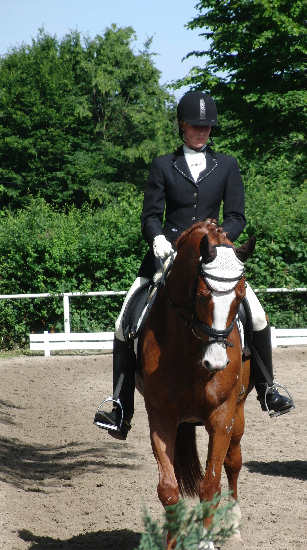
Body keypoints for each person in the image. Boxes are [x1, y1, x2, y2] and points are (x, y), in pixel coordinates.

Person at [94, 91, 294, 440]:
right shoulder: (163, 165)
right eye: (195, 126)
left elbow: (236, 216)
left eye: (207, 126)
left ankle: (267, 388)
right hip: (168, 255)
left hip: (216, 259)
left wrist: (219, 240)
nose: (202, 131)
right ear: (181, 126)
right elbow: (150, 216)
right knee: (124, 321)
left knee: (258, 316)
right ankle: (121, 406)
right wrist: (157, 238)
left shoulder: (227, 165)